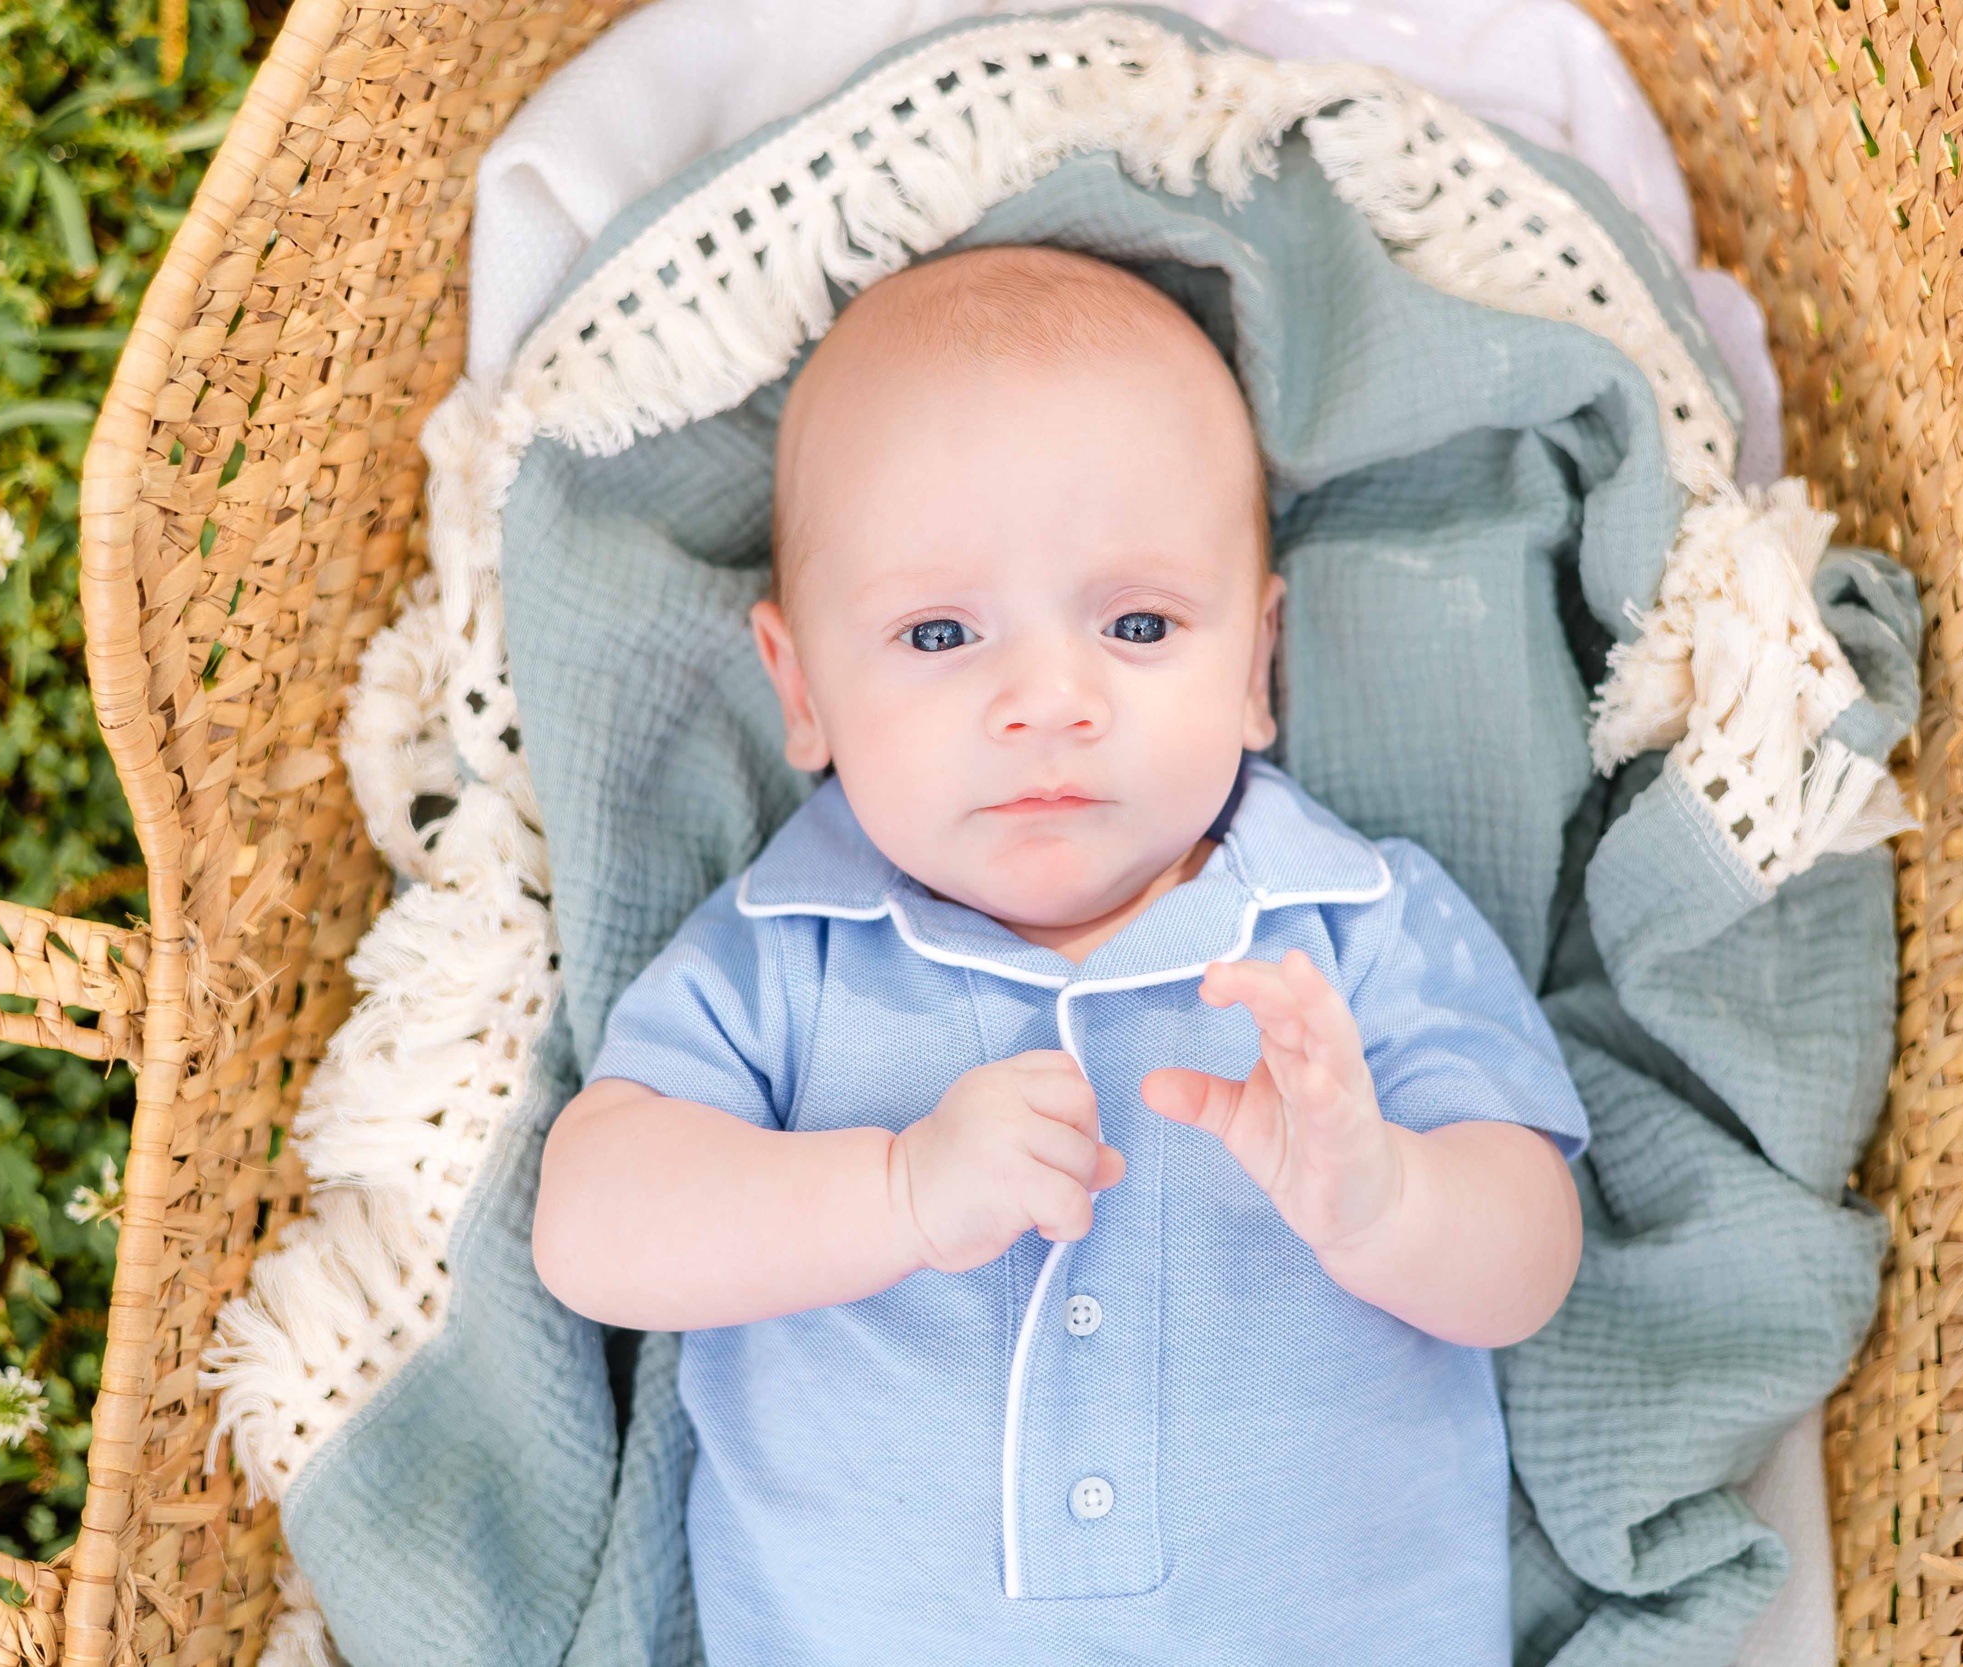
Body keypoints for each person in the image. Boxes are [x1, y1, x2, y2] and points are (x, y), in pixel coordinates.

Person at [530, 244, 1588, 1663]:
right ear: (802, 690)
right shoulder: (781, 958)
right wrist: (896, 1189)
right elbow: (591, 1231)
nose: (1048, 701)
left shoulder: (1353, 925)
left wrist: (1384, 1195)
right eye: (941, 630)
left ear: (1257, 666)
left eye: (1139, 623)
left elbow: (1529, 1265)